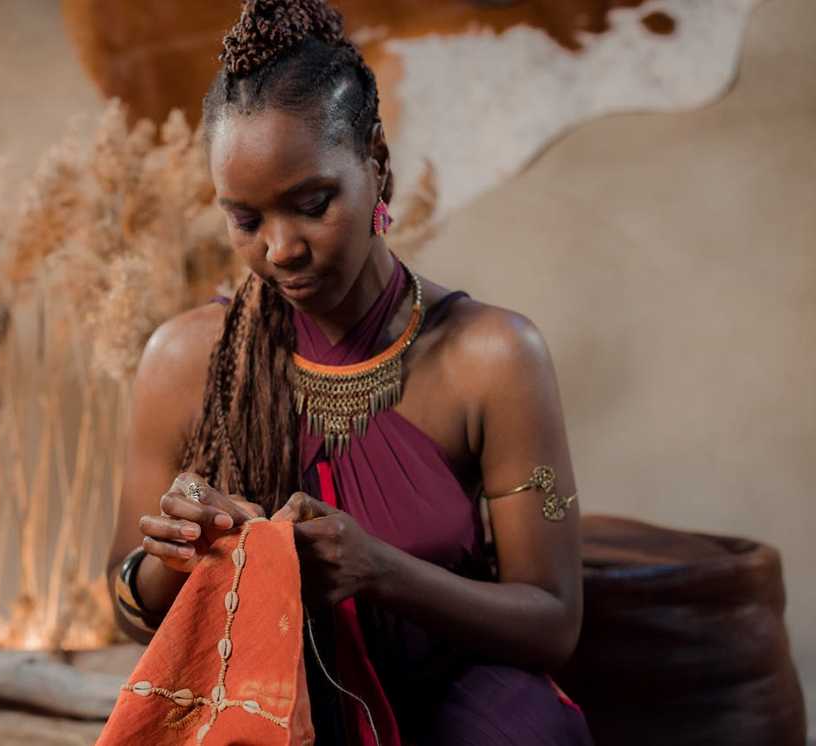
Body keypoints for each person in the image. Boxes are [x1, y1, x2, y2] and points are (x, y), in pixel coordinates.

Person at [105, 1, 594, 743]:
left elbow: (554, 626)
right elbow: (124, 606)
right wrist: (177, 558)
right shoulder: (183, 361)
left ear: (377, 164)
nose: (281, 249)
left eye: (311, 205)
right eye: (245, 219)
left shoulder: (494, 357)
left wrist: (380, 571)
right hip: (273, 709)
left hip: (458, 704)